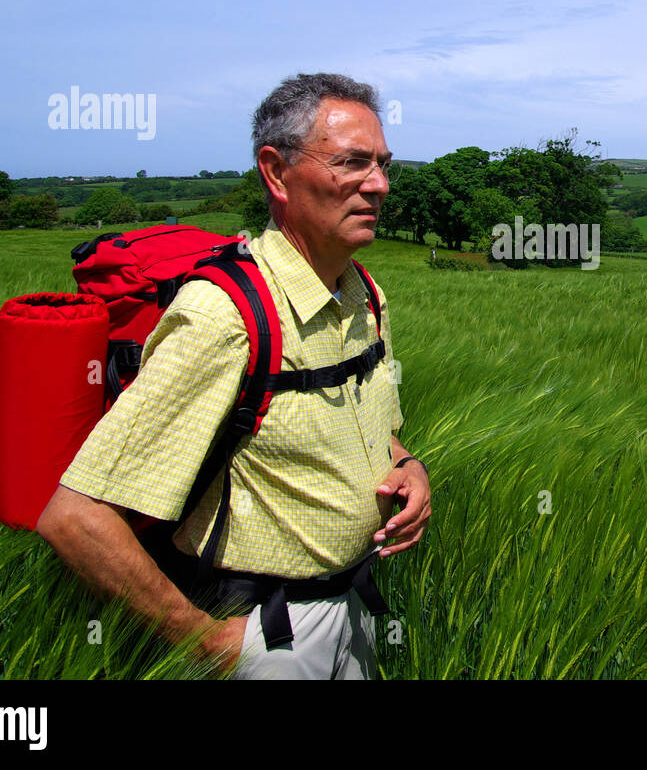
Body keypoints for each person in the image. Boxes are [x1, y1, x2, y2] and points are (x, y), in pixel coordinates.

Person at [37, 73, 430, 679]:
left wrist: (408, 468)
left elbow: (372, 437)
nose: (378, 185)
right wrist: (206, 644)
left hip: (354, 606)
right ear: (276, 172)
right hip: (268, 633)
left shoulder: (363, 296)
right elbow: (74, 518)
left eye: (382, 163)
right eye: (352, 162)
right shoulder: (226, 316)